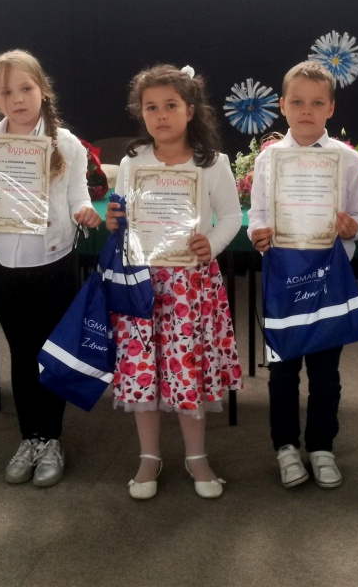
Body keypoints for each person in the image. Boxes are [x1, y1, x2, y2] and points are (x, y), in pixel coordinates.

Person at [0, 50, 100, 487]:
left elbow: (78, 195)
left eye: (26, 88)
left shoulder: (68, 143)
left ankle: (52, 438)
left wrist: (83, 213)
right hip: (5, 263)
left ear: (43, 91)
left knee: (51, 353)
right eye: (7, 92)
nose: (18, 99)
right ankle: (30, 437)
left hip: (54, 261)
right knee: (21, 353)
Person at [106, 64, 243, 500]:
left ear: (190, 110)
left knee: (188, 370)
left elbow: (232, 217)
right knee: (142, 370)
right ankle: (149, 456)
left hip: (190, 287)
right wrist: (114, 220)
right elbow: (121, 217)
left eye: (170, 105)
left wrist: (211, 244)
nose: (161, 115)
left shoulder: (212, 163)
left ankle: (196, 455)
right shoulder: (132, 162)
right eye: (151, 107)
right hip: (142, 285)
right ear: (140, 113)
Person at [246, 61, 358, 490]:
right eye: (297, 102)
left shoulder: (346, 158)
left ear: (331, 108)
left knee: (325, 373)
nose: (306, 110)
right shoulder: (269, 158)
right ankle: (285, 447)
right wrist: (257, 234)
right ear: (282, 106)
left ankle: (321, 447)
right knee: (282, 371)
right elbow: (258, 213)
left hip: (327, 280)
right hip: (283, 278)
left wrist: (352, 227)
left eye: (317, 103)